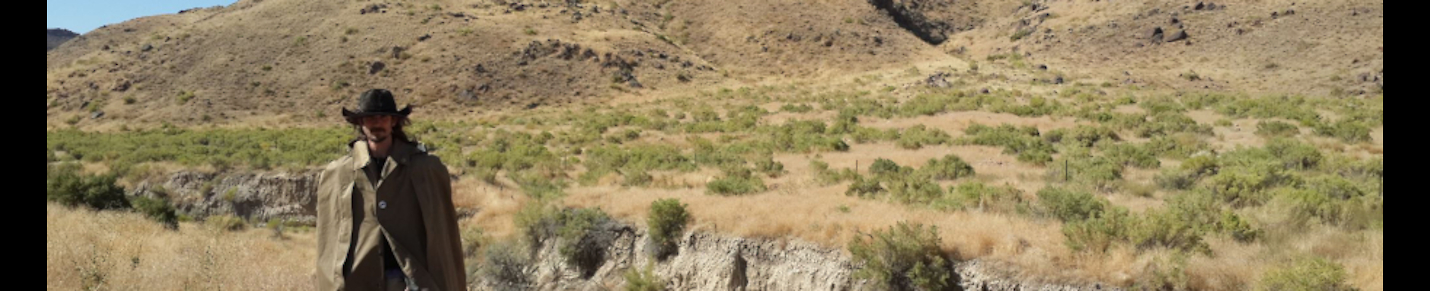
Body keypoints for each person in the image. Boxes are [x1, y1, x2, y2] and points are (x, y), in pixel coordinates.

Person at [316, 89, 466, 291]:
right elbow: (329, 239)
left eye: (383, 117)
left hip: (411, 280)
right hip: (359, 280)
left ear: (394, 122)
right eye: (370, 118)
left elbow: (443, 235)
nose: (377, 123)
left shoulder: (424, 168)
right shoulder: (340, 172)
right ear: (360, 122)